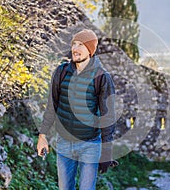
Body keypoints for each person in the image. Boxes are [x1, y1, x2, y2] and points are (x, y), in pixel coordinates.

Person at [37, 29, 117, 190]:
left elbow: (108, 116)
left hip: (90, 144)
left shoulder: (101, 77)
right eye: (74, 44)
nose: (75, 48)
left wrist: (106, 151)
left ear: (90, 50)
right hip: (64, 143)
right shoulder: (62, 72)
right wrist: (42, 136)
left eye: (81, 45)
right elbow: (52, 105)